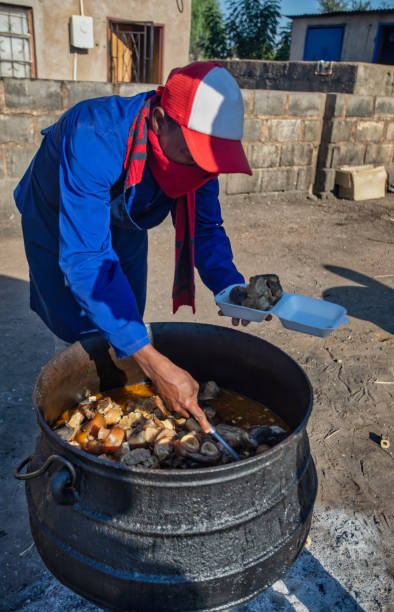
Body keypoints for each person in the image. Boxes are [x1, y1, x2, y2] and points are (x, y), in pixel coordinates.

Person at [14, 62, 258, 433]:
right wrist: (154, 362)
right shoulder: (93, 136)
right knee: (73, 313)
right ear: (159, 120)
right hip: (58, 213)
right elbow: (86, 258)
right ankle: (77, 395)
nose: (202, 170)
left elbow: (205, 227)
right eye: (194, 155)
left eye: (210, 161)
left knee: (127, 305)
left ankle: (126, 379)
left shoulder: (198, 161)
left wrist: (229, 285)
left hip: (126, 215)